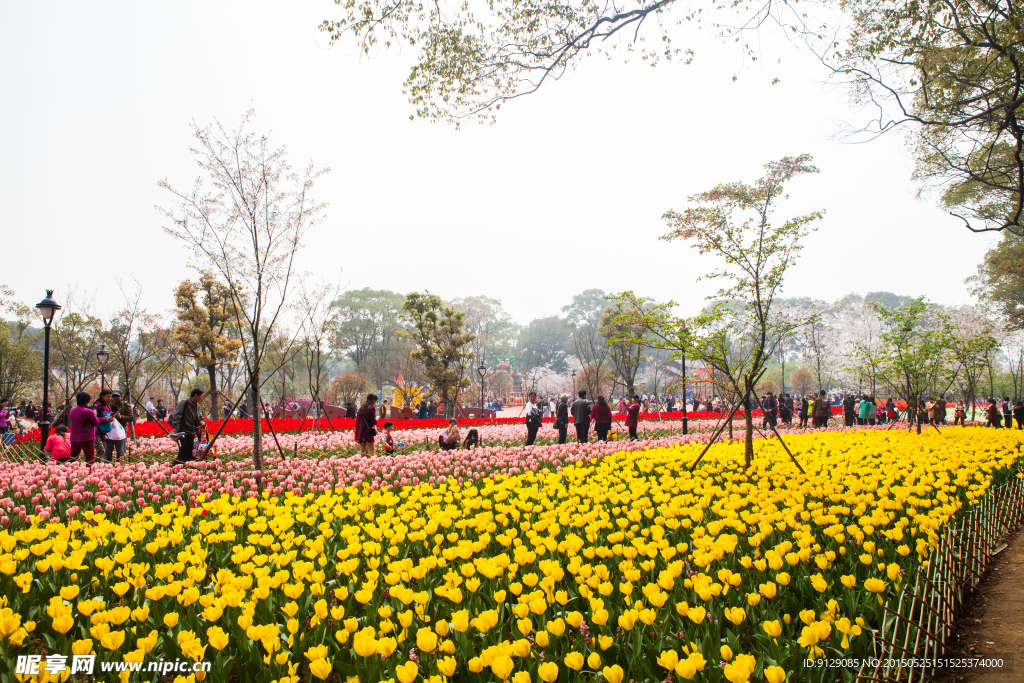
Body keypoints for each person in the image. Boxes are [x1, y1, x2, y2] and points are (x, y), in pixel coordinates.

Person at [170, 389, 206, 464]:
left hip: (192, 431)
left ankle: (185, 466)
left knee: (188, 451)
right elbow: (177, 415)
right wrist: (176, 428)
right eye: (200, 396)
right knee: (185, 450)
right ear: (195, 395)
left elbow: (200, 417)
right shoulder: (185, 402)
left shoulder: (197, 405)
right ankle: (176, 467)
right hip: (184, 431)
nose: (201, 398)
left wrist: (202, 424)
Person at [69, 392, 104, 465]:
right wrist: (94, 414)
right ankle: (88, 474)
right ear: (87, 401)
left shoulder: (72, 411)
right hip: (87, 438)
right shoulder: (89, 412)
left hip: (74, 438)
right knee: (89, 459)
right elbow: (97, 423)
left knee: (73, 458)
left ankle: (68, 472)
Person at [103, 392, 130, 463]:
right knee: (107, 452)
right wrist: (109, 415)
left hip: (120, 433)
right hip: (109, 432)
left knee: (120, 452)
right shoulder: (108, 405)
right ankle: (107, 468)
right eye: (113, 396)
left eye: (117, 396)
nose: (114, 398)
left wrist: (120, 417)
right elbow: (103, 416)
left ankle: (121, 467)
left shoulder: (126, 406)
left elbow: (131, 417)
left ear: (121, 396)